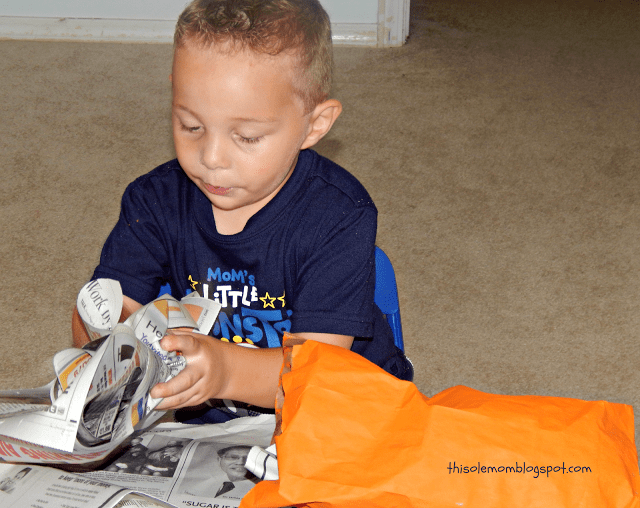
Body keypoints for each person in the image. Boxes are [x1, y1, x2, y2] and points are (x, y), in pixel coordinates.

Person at [71, 0, 412, 422]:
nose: (211, 157)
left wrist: (225, 370)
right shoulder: (155, 201)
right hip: (214, 420)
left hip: (341, 408)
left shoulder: (338, 216)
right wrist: (109, 342)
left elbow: (315, 373)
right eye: (191, 126)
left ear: (315, 124)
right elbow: (105, 307)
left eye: (247, 137)